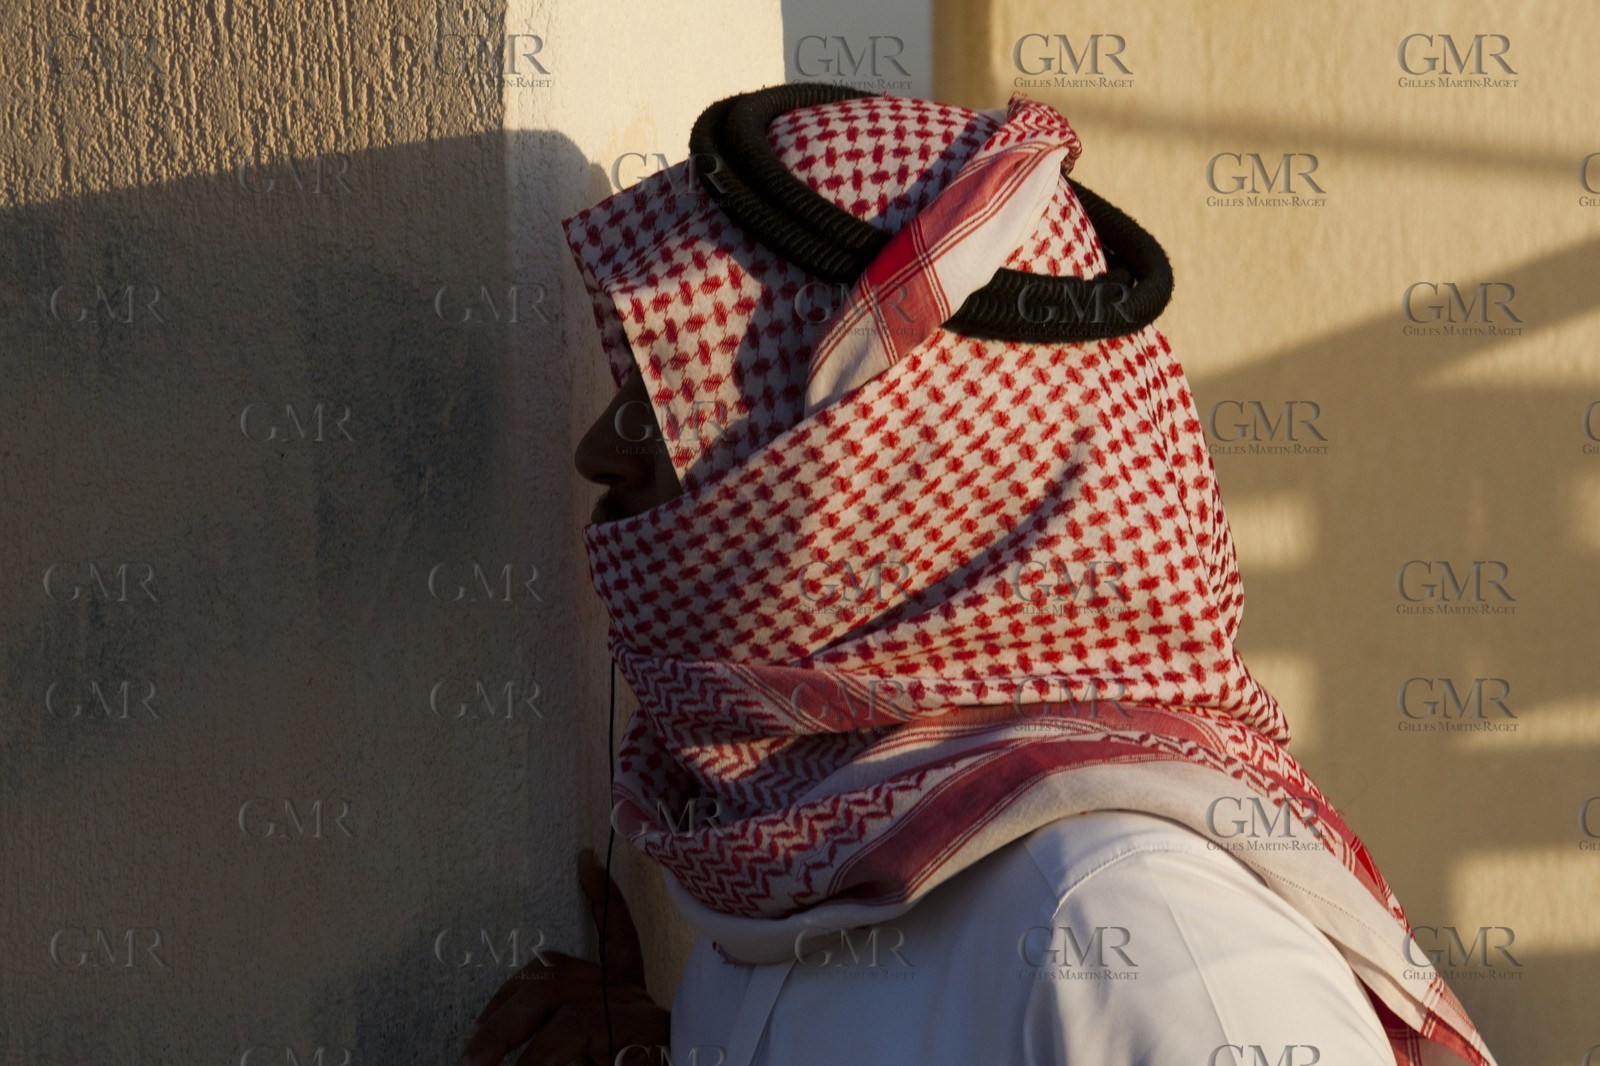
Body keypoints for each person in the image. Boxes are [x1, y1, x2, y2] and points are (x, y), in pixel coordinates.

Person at [460, 85, 1499, 1066]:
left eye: (665, 400)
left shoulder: (1131, 932)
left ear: (886, 467)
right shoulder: (792, 895)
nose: (602, 449)